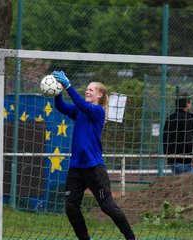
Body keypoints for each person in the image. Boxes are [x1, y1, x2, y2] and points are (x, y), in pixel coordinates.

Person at [53, 71, 136, 240]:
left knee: (107, 207)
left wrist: (68, 85)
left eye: (91, 89)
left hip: (93, 167)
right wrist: (57, 91)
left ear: (99, 95)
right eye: (87, 89)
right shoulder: (79, 110)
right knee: (71, 206)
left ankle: (131, 237)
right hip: (76, 168)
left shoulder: (98, 111)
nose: (87, 91)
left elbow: (82, 105)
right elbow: (61, 107)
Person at [163, 92, 193, 175]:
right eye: (190, 102)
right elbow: (190, 139)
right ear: (187, 103)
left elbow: (165, 138)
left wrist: (168, 156)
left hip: (173, 160)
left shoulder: (170, 118)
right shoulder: (188, 118)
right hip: (186, 161)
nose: (191, 105)